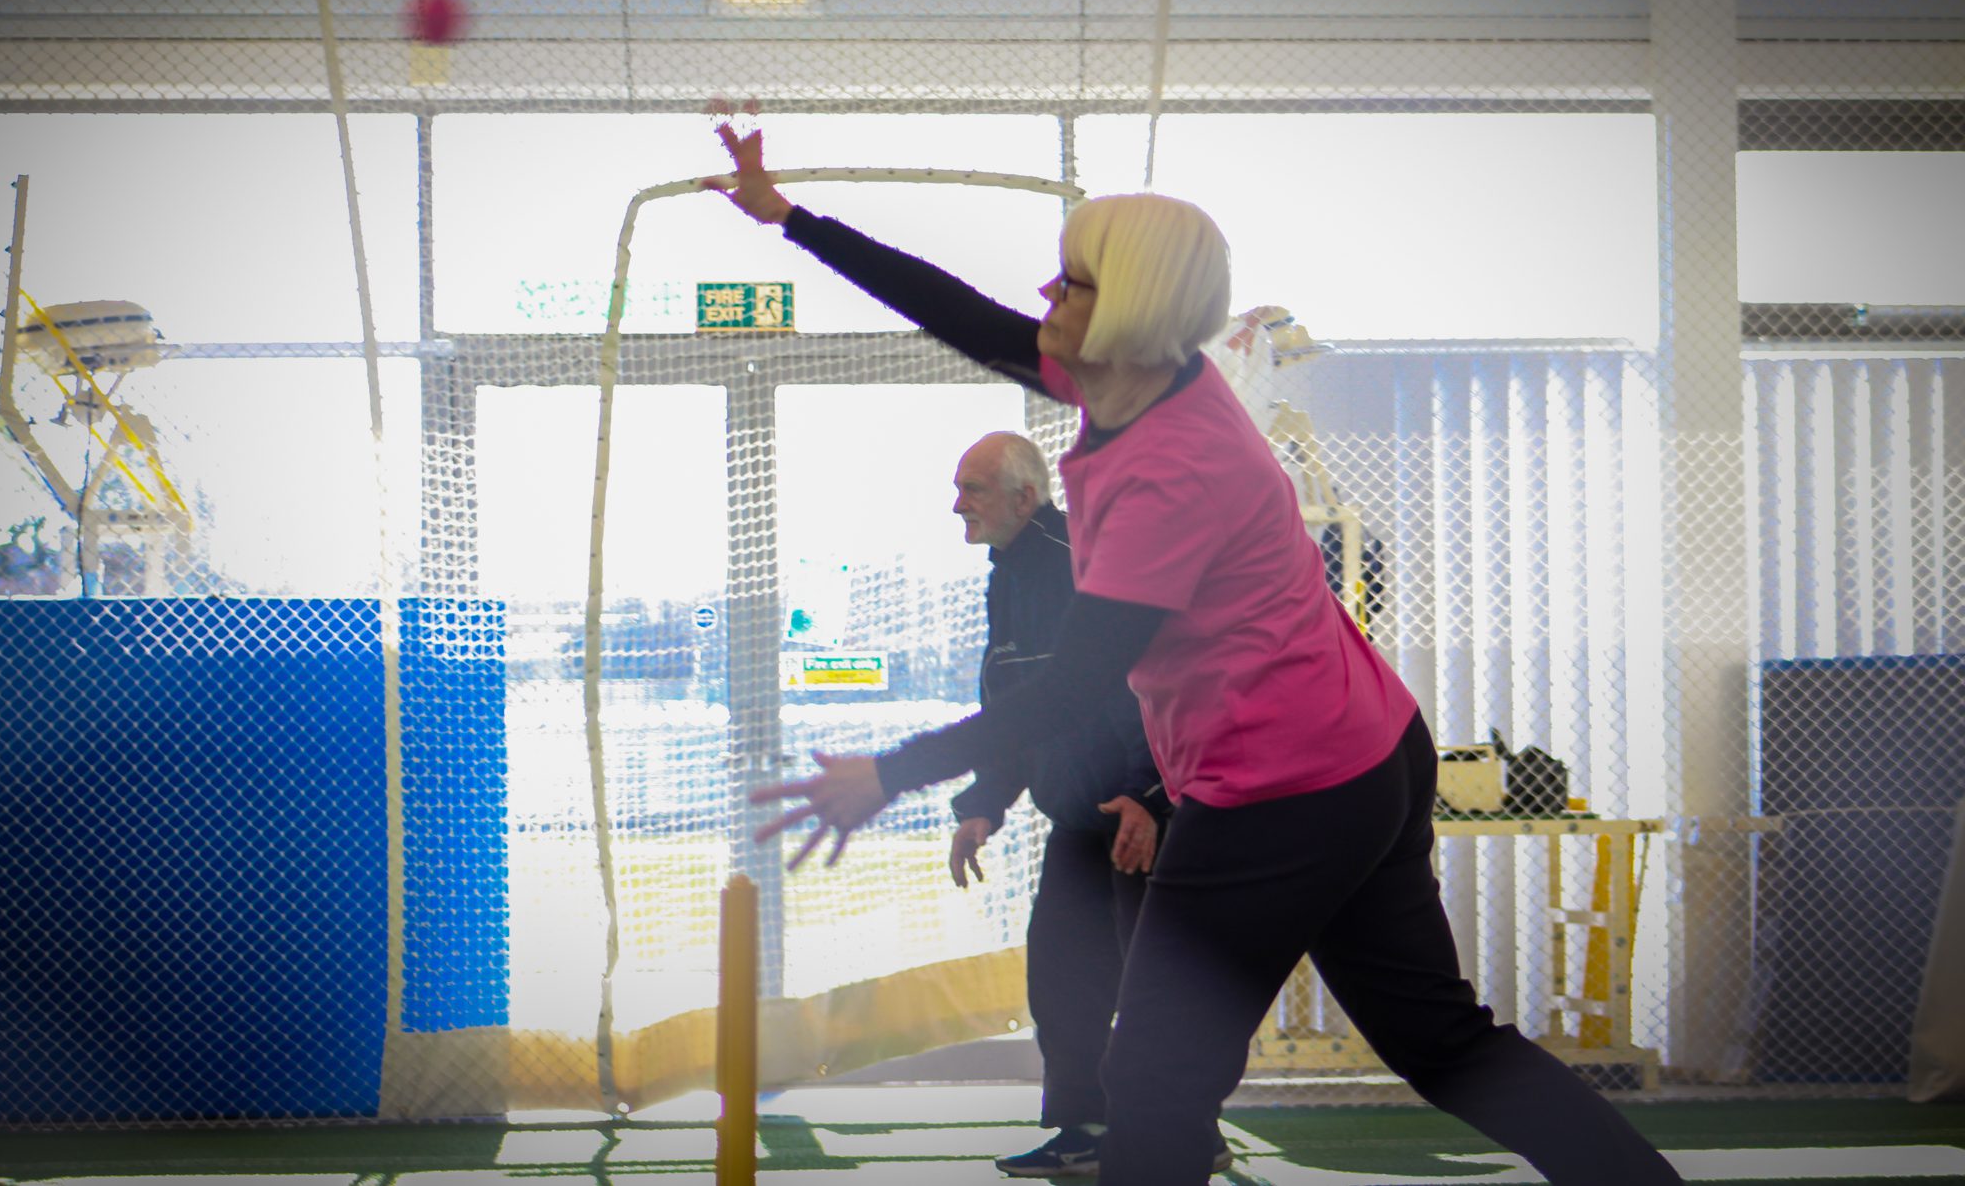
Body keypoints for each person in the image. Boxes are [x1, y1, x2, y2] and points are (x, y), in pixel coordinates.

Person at [703, 121, 1681, 1186]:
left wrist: (887, 774)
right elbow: (961, 314)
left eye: (1072, 283)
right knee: (1437, 1043)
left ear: (1123, 311)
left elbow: (1075, 683)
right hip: (1364, 751)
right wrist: (791, 220)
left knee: (1157, 1081)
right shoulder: (1132, 383)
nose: (1045, 292)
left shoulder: (1171, 465)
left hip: (1285, 787)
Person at [945, 430, 1208, 1178]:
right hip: (1081, 817)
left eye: (973, 488)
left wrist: (1151, 796)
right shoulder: (1008, 573)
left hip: (1148, 815)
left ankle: (1187, 1127)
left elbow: (1169, 679)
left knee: (1160, 985)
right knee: (1063, 977)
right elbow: (1014, 699)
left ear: (1025, 498)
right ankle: (1086, 1128)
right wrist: (985, 803)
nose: (956, 503)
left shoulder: (1089, 566)